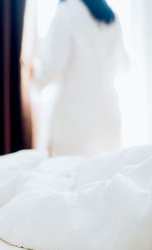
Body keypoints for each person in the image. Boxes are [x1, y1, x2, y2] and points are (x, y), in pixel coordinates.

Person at [28, 0, 128, 156]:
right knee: (103, 175)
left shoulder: (66, 12)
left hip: (74, 120)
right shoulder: (112, 17)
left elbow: (52, 69)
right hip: (109, 117)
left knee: (66, 174)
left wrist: (31, 73)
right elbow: (124, 63)